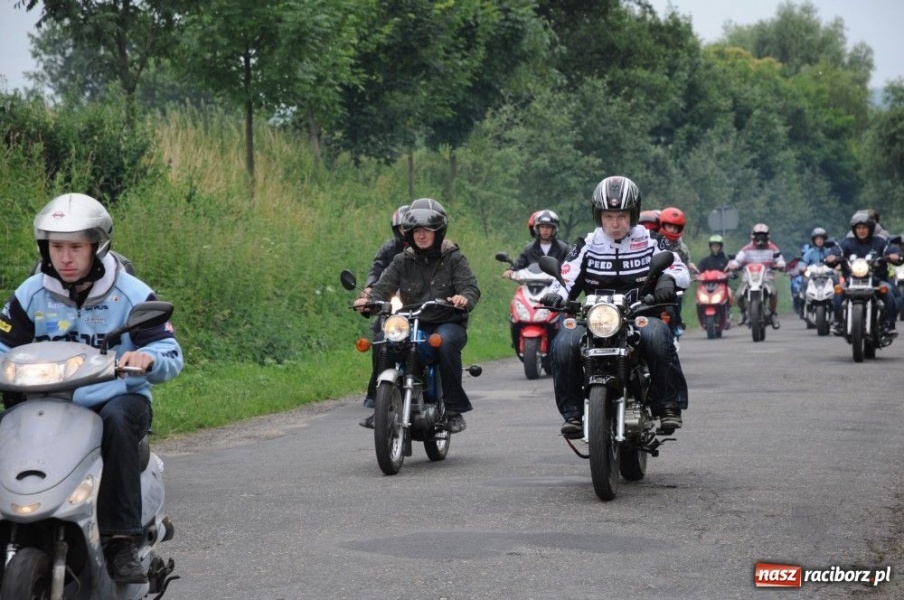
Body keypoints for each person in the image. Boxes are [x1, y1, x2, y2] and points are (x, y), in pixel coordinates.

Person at [0, 193, 183, 584]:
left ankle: (121, 541)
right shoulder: (31, 292)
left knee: (118, 422)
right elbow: (3, 345)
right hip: (45, 405)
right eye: (57, 247)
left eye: (76, 247)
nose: (65, 257)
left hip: (115, 400)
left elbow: (168, 349)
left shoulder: (131, 293)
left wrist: (147, 358)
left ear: (97, 247)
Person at [541, 176, 690, 435]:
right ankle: (573, 414)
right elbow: (566, 275)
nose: (615, 223)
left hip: (640, 314)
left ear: (633, 214)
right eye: (608, 216)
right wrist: (556, 295)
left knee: (657, 334)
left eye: (621, 215)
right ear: (598, 215)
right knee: (563, 342)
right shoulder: (586, 244)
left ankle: (668, 405)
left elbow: (680, 269)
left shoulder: (653, 240)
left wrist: (667, 279)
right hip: (595, 318)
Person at [355, 198, 480, 433]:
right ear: (409, 234)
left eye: (428, 230)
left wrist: (463, 298)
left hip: (447, 321)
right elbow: (383, 287)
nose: (421, 235)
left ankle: (454, 411)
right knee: (383, 339)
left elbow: (470, 288)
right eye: (416, 231)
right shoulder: (402, 260)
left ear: (438, 232)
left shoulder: (454, 258)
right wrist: (368, 301)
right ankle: (378, 404)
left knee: (445, 343)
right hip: (412, 322)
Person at [360, 204, 409, 408]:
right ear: (396, 229)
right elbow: (376, 269)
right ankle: (375, 392)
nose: (406, 232)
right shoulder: (389, 249)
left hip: (415, 301)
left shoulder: (427, 250)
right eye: (403, 228)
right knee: (380, 338)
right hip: (391, 301)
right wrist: (369, 290)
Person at [825, 211, 902, 337]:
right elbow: (835, 251)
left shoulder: (880, 242)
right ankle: (838, 323)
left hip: (876, 280)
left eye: (864, 227)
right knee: (838, 290)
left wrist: (895, 255)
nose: (861, 231)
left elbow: (893, 251)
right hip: (851, 280)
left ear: (870, 228)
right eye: (858, 228)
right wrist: (831, 257)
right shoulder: (846, 242)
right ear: (854, 229)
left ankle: (890, 324)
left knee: (887, 289)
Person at [727, 223, 786, 327]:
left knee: (773, 292)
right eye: (758, 235)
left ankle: (772, 313)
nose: (760, 238)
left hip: (767, 278)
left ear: (767, 236)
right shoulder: (746, 249)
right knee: (738, 295)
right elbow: (738, 260)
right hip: (748, 279)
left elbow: (781, 260)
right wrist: (734, 265)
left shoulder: (773, 248)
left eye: (763, 235)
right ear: (753, 236)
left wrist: (780, 265)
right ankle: (743, 312)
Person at [502, 209, 570, 278]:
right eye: (542, 227)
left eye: (548, 227)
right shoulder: (529, 249)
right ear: (537, 228)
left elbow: (571, 266)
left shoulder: (563, 249)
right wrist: (510, 270)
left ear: (554, 229)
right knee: (520, 289)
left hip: (557, 287)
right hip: (533, 286)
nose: (545, 230)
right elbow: (519, 265)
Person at [657, 207, 693, 335]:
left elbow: (685, 263)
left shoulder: (682, 248)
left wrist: (688, 266)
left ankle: (677, 323)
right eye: (669, 226)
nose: (672, 230)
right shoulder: (654, 241)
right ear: (662, 225)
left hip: (672, 281)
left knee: (677, 299)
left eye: (675, 227)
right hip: (655, 279)